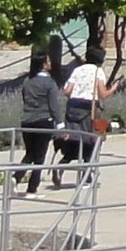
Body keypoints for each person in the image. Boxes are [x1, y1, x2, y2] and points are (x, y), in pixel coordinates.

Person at [15, 52, 63, 195]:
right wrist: (60, 123)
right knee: (40, 157)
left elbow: (25, 99)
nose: (50, 63)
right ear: (43, 64)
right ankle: (32, 188)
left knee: (30, 153)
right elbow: (54, 105)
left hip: (27, 120)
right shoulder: (49, 83)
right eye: (48, 60)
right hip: (43, 120)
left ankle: (16, 178)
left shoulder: (27, 81)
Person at [62, 45, 111, 178]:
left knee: (76, 139)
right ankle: (86, 175)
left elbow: (67, 91)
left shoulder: (77, 70)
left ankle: (62, 164)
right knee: (94, 139)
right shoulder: (98, 71)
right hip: (90, 107)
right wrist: (114, 88)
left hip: (73, 106)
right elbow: (103, 94)